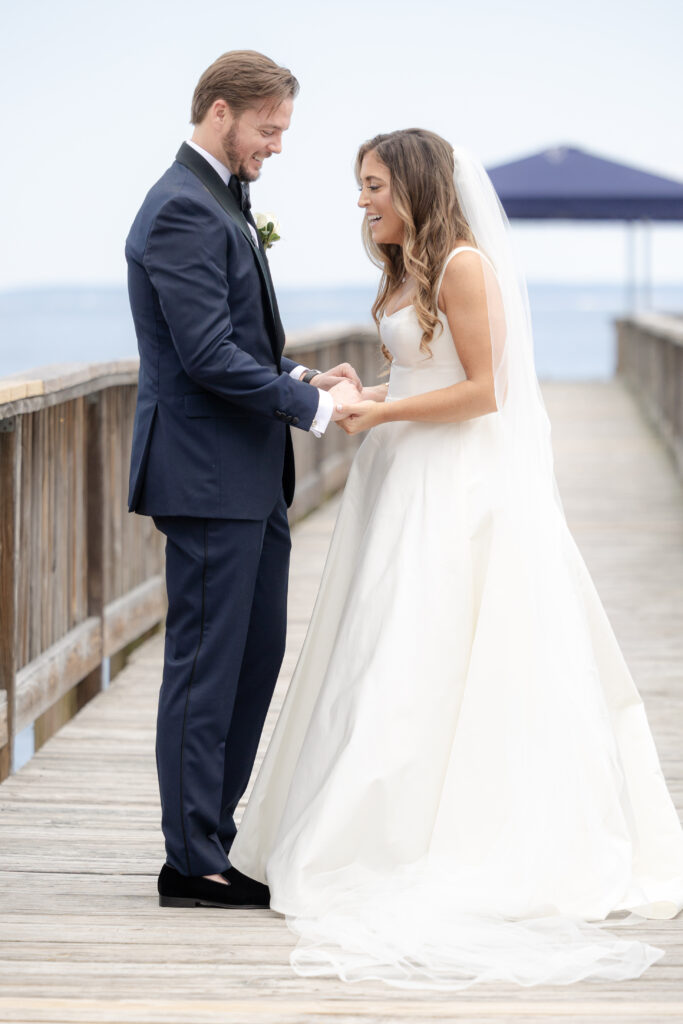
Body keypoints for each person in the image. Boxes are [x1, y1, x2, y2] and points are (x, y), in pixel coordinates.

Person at [230, 129, 683, 987]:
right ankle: (370, 819)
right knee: (382, 653)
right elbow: (416, 369)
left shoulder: (465, 265)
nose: (361, 201)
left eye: (371, 185)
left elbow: (484, 392)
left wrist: (383, 417)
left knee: (434, 643)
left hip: (454, 483)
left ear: (410, 186)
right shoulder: (401, 266)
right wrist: (357, 390)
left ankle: (438, 833)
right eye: (359, 186)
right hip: (398, 477)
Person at [125, 50, 361, 910]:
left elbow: (242, 349)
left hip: (248, 476)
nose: (277, 146)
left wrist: (301, 380)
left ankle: (210, 841)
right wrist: (315, 414)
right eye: (269, 128)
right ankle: (189, 862)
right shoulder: (181, 208)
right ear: (222, 112)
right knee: (204, 666)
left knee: (253, 658)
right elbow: (206, 357)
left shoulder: (221, 198)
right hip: (206, 476)